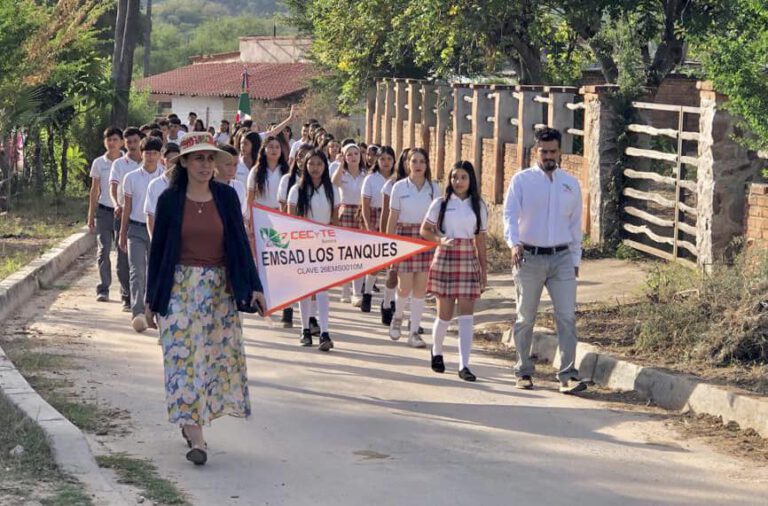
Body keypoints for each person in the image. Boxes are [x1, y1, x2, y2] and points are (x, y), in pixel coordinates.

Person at [145, 132, 265, 466]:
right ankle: (196, 436)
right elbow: (158, 254)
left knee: (209, 362)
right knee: (183, 360)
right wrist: (151, 299)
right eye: (198, 158)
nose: (205, 165)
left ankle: (192, 422)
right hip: (179, 287)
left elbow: (241, 244)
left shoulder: (226, 197)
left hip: (218, 292)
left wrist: (254, 286)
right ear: (183, 162)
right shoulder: (170, 200)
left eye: (210, 158)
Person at [503, 127, 586, 394]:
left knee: (567, 316)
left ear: (560, 152)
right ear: (535, 151)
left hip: (561, 257)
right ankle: (523, 370)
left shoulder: (570, 184)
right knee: (526, 317)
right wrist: (514, 244)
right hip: (529, 256)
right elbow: (509, 216)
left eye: (553, 151)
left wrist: (575, 259)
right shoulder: (522, 181)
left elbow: (575, 226)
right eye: (544, 151)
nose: (548, 156)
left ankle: (568, 375)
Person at [421, 161, 488, 382]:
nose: (458, 182)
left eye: (463, 177)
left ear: (471, 180)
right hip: (446, 256)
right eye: (454, 177)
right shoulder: (440, 203)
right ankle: (437, 351)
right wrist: (440, 240)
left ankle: (464, 364)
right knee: (445, 314)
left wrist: (483, 269)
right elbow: (425, 230)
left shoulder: (478, 206)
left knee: (467, 315)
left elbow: (480, 237)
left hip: (468, 258)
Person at [386, 148, 440, 348]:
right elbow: (392, 217)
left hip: (426, 237)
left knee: (420, 289)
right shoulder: (399, 187)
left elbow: (438, 219)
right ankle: (398, 317)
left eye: (422, 161)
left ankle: (414, 331)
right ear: (407, 164)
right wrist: (389, 244)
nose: (418, 165)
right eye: (414, 161)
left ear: (427, 165)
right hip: (404, 237)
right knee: (404, 286)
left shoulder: (434, 189)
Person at [287, 149, 339, 351]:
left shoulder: (333, 190)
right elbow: (290, 220)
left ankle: (325, 331)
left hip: (324, 243)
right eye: (311, 164)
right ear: (304, 166)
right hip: (303, 241)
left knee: (323, 289)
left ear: (325, 166)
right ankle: (305, 329)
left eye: (319, 164)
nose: (315, 168)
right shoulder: (296, 190)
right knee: (305, 289)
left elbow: (335, 221)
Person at [119, 136, 164, 332]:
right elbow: (127, 207)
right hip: (136, 230)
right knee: (137, 271)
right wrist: (122, 233)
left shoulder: (165, 178)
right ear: (141, 153)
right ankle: (137, 312)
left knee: (154, 271)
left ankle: (154, 308)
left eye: (155, 153)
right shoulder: (131, 178)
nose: (151, 157)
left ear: (160, 155)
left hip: (158, 230)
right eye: (148, 153)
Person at [87, 127, 124, 302]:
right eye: (108, 140)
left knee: (123, 251)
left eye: (115, 139)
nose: (112, 143)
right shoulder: (98, 163)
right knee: (103, 250)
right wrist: (90, 216)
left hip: (123, 213)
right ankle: (103, 288)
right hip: (103, 211)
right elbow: (95, 190)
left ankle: (126, 291)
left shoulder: (128, 162)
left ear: (122, 142)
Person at [109, 127, 144, 311]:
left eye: (135, 142)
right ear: (124, 143)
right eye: (128, 142)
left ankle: (141, 296)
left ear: (140, 142)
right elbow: (113, 187)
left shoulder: (150, 163)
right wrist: (116, 204)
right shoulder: (119, 164)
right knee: (123, 260)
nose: (131, 145)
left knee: (140, 262)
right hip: (122, 216)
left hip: (144, 218)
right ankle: (126, 295)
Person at [360, 145, 395, 313]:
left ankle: (390, 300)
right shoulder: (370, 179)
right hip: (375, 217)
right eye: (382, 159)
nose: (386, 162)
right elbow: (365, 205)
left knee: (393, 263)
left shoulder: (397, 180)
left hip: (393, 218)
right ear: (376, 160)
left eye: (389, 159)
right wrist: (369, 226)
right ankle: (367, 293)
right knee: (375, 261)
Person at [332, 143, 366, 306]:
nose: (353, 157)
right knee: (345, 254)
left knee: (358, 254)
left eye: (356, 154)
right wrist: (340, 165)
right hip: (345, 212)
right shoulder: (342, 174)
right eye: (349, 154)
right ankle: (345, 290)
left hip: (360, 214)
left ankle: (357, 292)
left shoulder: (365, 175)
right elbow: (334, 182)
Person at [378, 147, 409, 326]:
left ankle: (405, 313)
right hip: (395, 232)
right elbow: (385, 213)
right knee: (393, 274)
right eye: (406, 161)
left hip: (413, 234)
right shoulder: (391, 185)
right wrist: (384, 237)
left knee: (411, 277)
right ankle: (387, 302)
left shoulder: (424, 185)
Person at [144, 143, 180, 238]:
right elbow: (150, 215)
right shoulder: (155, 184)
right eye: (170, 160)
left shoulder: (188, 183)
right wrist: (154, 240)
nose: (174, 164)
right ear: (163, 161)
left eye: (177, 160)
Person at [215, 144, 248, 218]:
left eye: (235, 165)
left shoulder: (239, 187)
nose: (232, 169)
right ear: (215, 163)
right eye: (228, 164)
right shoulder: (205, 187)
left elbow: (242, 216)